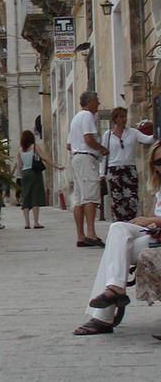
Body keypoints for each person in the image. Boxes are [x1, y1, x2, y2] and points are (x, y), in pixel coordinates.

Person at [73, 140, 161, 337]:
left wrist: (150, 220)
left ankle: (104, 314)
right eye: (159, 162)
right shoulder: (159, 188)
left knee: (117, 250)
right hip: (156, 236)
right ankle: (114, 287)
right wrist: (150, 223)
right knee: (118, 230)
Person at [66, 90, 109, 247]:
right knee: (90, 195)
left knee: (79, 198)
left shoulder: (75, 118)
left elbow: (69, 145)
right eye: (96, 99)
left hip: (77, 157)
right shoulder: (87, 116)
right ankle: (91, 233)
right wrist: (102, 148)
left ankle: (80, 235)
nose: (98, 102)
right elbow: (88, 139)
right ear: (89, 101)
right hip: (86, 158)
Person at [100, 107, 154, 221]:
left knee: (132, 199)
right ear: (115, 119)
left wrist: (157, 133)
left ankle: (131, 221)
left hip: (129, 169)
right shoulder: (108, 135)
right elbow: (104, 154)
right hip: (114, 170)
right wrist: (101, 174)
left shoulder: (133, 132)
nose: (124, 119)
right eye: (121, 116)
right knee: (117, 200)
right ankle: (119, 224)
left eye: (125, 116)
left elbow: (147, 139)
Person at [17, 130, 64, 229]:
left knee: (26, 197)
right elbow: (44, 157)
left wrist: (22, 177)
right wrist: (56, 166)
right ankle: (36, 222)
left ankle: (26, 223)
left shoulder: (20, 150)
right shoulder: (35, 147)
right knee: (35, 196)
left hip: (25, 174)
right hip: (35, 173)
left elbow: (20, 165)